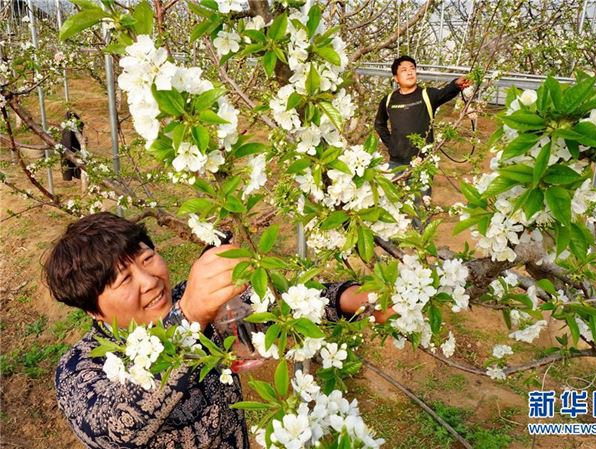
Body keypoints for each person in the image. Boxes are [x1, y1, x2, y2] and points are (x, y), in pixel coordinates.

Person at [45, 212, 390, 449]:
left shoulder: (189, 303)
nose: (150, 282)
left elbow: (278, 305)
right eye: (124, 279)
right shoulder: (79, 371)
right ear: (93, 309)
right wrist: (189, 319)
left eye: (148, 259)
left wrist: (355, 298)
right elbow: (121, 427)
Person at [374, 56, 471, 227]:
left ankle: (420, 246)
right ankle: (393, 243)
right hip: (396, 163)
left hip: (422, 164)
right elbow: (379, 124)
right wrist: (392, 145)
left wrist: (457, 83)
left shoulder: (427, 95)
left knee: (420, 208)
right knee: (389, 203)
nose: (409, 72)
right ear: (396, 78)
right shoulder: (389, 100)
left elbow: (446, 92)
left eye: (412, 68)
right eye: (403, 70)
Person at [60, 111, 83, 181]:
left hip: (75, 151)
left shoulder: (70, 129)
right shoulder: (67, 130)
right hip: (72, 152)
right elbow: (67, 144)